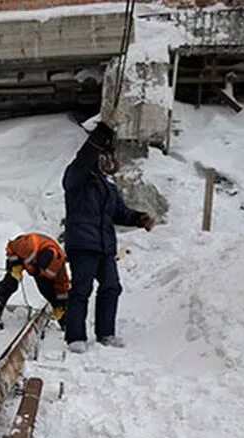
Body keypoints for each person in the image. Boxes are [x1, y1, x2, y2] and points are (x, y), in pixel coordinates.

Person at [62, 121, 155, 354]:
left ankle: (105, 333)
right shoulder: (77, 177)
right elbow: (84, 158)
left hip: (105, 246)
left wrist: (139, 218)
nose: (111, 161)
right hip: (82, 244)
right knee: (81, 290)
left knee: (112, 287)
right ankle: (75, 337)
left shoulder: (108, 186)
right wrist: (99, 135)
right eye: (106, 156)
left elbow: (119, 212)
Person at [0, 232, 70, 331]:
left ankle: (64, 322)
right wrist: (15, 264)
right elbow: (11, 247)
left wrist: (60, 305)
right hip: (20, 259)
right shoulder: (28, 245)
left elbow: (62, 286)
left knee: (49, 291)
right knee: (11, 283)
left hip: (36, 267)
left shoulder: (59, 266)